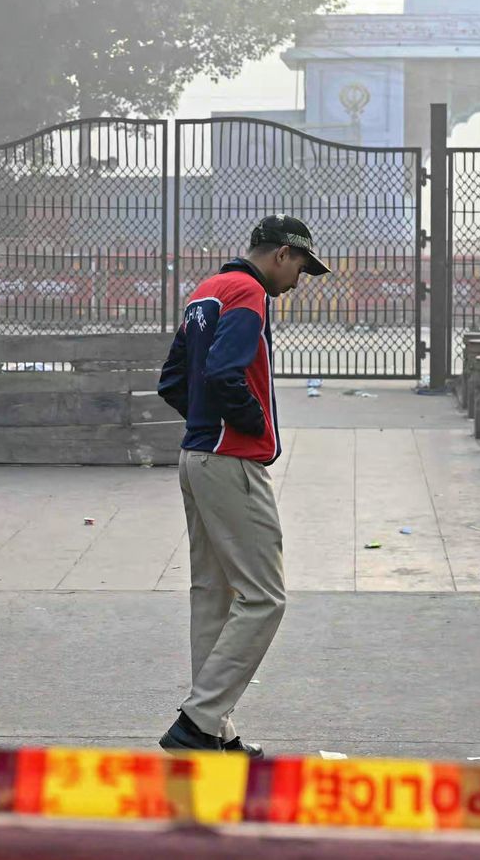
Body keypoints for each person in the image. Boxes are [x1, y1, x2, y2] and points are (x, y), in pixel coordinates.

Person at [154, 214, 328, 758]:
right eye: (300, 265)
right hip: (231, 460)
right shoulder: (250, 294)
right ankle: (200, 720)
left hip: (197, 455)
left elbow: (173, 381)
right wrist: (248, 422)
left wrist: (205, 421)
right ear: (281, 254)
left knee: (214, 594)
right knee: (264, 597)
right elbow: (225, 375)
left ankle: (214, 731)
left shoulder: (207, 290)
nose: (300, 279)